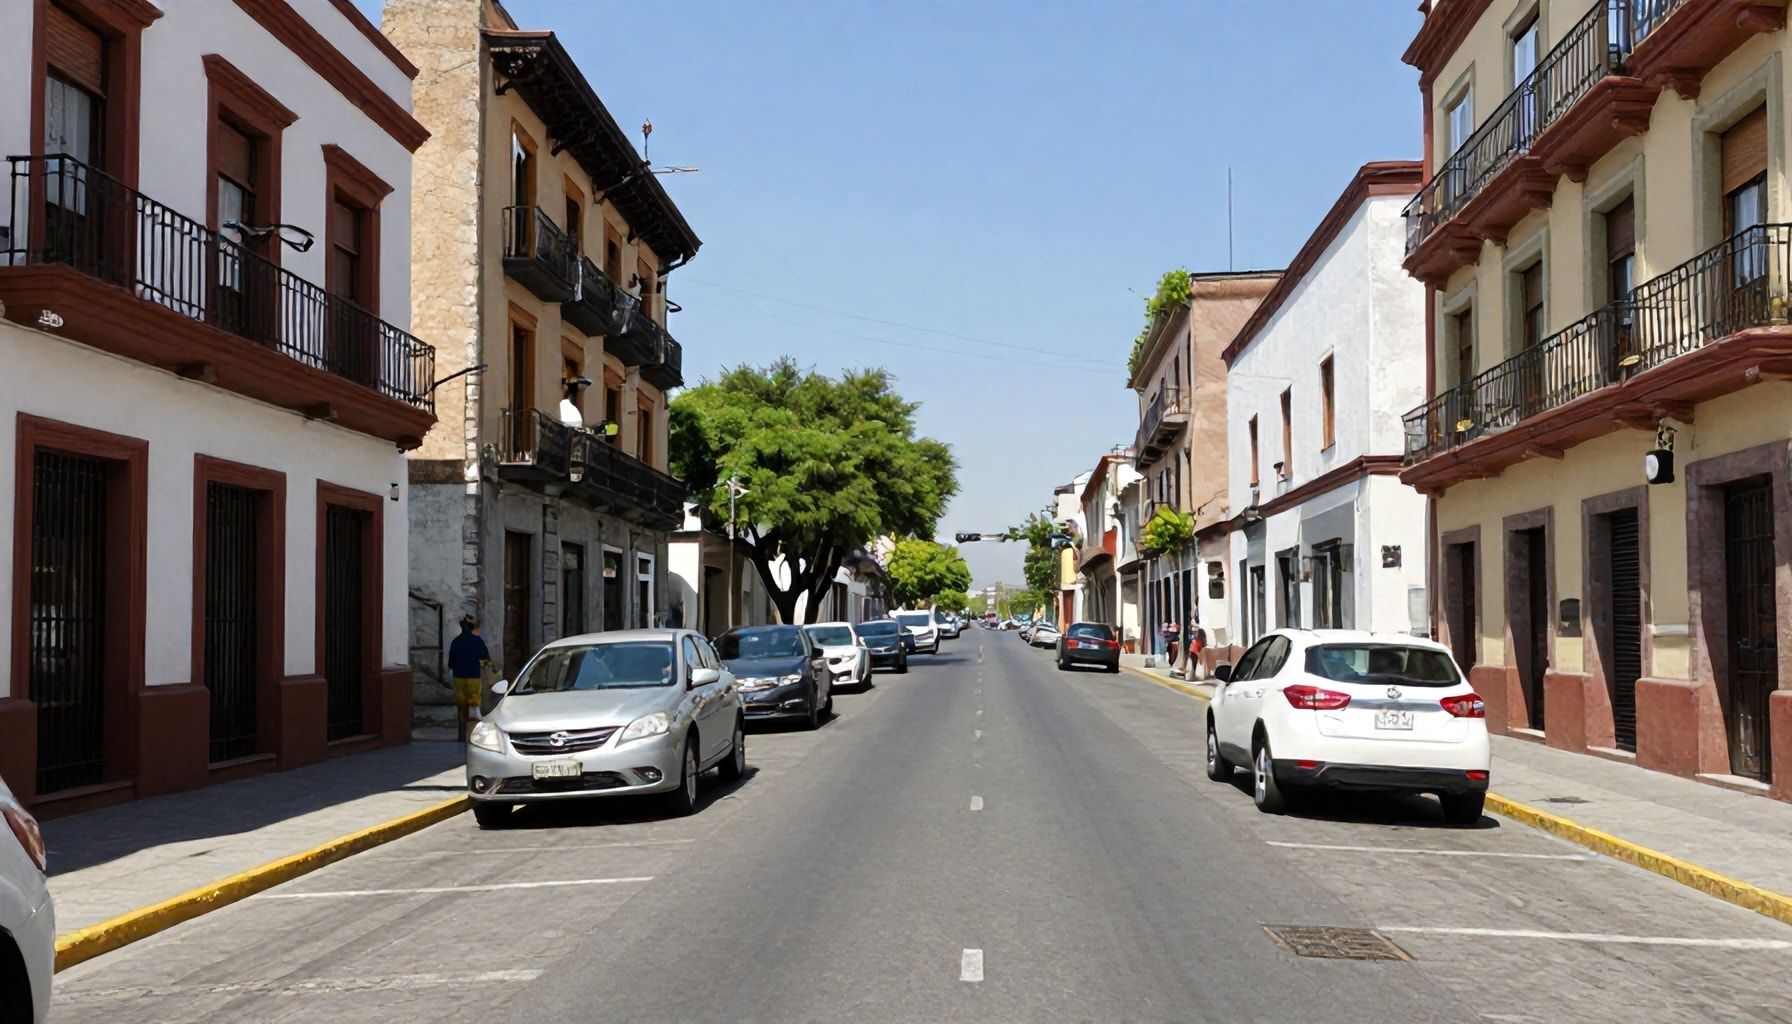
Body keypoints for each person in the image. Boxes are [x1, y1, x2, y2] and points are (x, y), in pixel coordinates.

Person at [447, 617, 491, 742]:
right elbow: (486, 659)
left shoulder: (456, 642)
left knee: (461, 707)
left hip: (458, 679)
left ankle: (461, 734)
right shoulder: (478, 641)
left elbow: (450, 663)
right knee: (474, 707)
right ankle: (473, 736)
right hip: (474, 678)